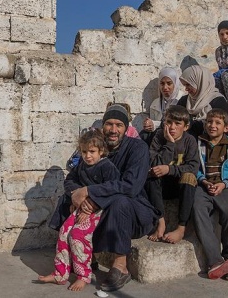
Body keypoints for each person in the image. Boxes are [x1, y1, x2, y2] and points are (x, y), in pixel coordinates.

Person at [51, 104, 158, 292]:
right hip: (100, 208)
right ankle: (83, 257)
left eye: (119, 125)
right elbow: (72, 178)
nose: (113, 130)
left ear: (126, 128)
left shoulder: (138, 148)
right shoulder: (94, 146)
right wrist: (79, 196)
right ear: (103, 126)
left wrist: (91, 193)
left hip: (133, 211)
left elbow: (130, 186)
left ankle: (121, 265)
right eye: (109, 124)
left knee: (119, 202)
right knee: (67, 200)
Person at [41, 129, 120, 291]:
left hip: (98, 209)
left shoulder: (107, 167)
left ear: (101, 151)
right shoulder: (81, 166)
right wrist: (76, 196)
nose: (88, 156)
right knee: (64, 232)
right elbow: (69, 181)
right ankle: (60, 273)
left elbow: (113, 188)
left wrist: (92, 202)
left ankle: (84, 275)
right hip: (81, 207)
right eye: (84, 151)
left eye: (92, 151)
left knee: (78, 235)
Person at [192, 109, 228, 281]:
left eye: (217, 123)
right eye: (209, 122)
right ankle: (215, 262)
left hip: (225, 188)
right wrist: (203, 180)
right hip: (203, 186)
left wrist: (224, 184)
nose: (212, 126)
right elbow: (194, 167)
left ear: (226, 128)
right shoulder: (197, 143)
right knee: (198, 210)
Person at [146, 105, 200, 244]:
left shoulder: (189, 140)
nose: (172, 127)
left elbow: (193, 167)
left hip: (179, 186)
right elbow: (153, 162)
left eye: (177, 124)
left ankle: (181, 228)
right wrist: (169, 144)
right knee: (151, 175)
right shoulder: (159, 136)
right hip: (161, 186)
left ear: (186, 127)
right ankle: (161, 222)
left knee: (189, 177)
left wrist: (169, 169)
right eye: (169, 122)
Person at [178, 65, 228, 138]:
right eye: (185, 85)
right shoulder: (184, 100)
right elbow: (174, 116)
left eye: (189, 85)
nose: (186, 89)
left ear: (200, 82)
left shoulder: (218, 101)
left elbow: (215, 128)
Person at [141, 67, 185, 146]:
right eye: (162, 83)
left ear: (175, 83)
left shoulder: (182, 100)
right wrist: (148, 124)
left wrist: (155, 124)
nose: (165, 87)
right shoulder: (155, 103)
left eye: (169, 83)